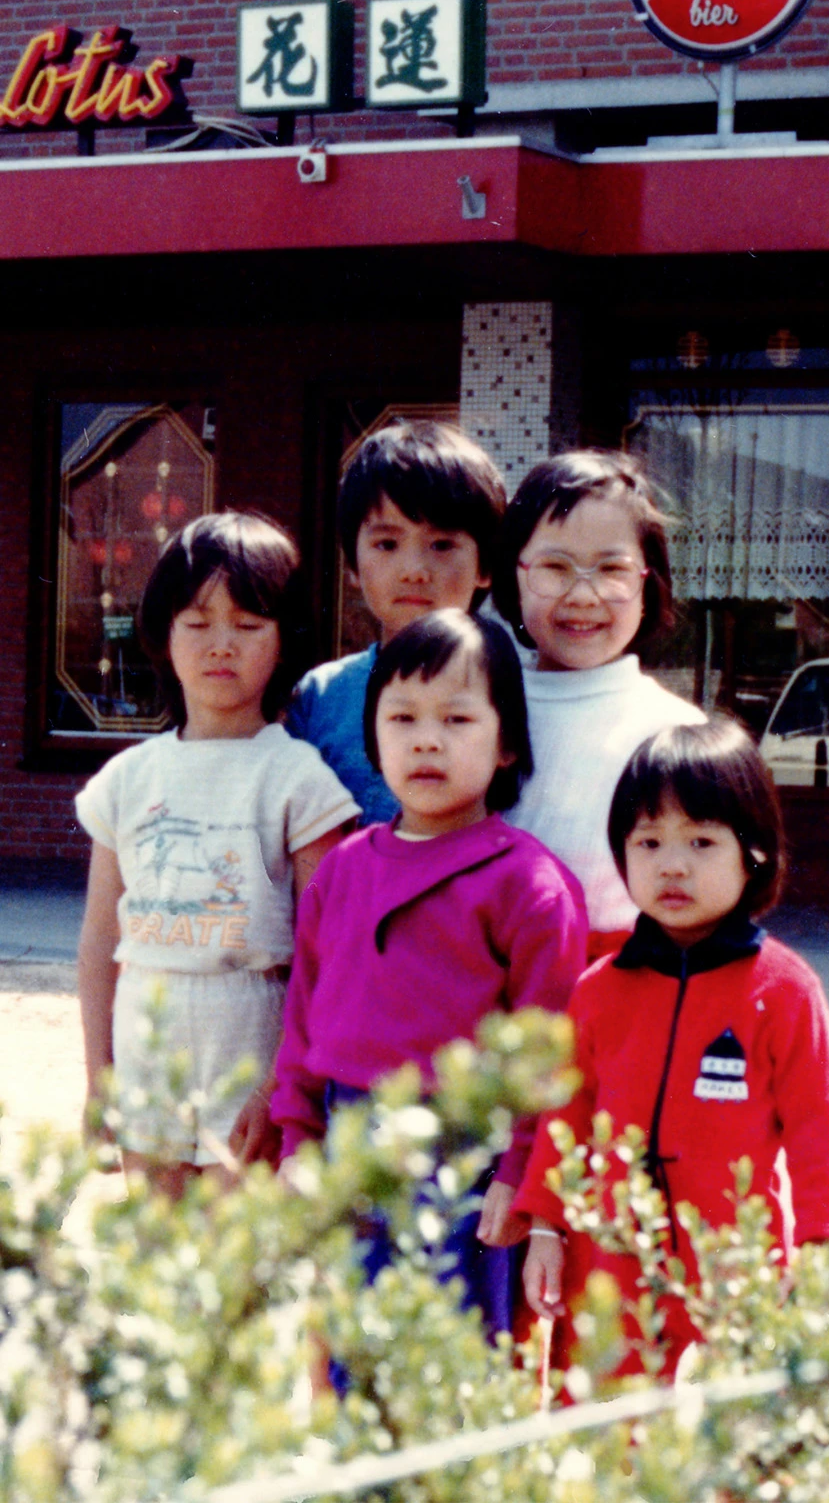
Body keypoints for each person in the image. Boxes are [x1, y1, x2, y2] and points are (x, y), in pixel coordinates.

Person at [271, 609, 588, 1333]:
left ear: (508, 742)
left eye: (457, 719)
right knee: (360, 1358)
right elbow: (304, 1017)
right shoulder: (343, 871)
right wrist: (298, 1138)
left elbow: (551, 1058)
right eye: (403, 716)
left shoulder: (529, 886)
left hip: (468, 1163)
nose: (426, 739)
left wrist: (522, 1177)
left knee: (458, 1372)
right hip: (350, 1144)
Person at [515, 717, 829, 1377]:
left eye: (701, 841)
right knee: (602, 1443)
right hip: (606, 1269)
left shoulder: (783, 990)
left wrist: (824, 1246)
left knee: (727, 1451)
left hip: (732, 1272)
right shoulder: (598, 991)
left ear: (753, 854)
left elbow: (818, 1130)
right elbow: (566, 1122)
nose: (672, 865)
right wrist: (546, 1229)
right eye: (649, 842)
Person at [76, 512, 360, 1200]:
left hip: (250, 1035)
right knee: (159, 1266)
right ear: (163, 635)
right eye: (197, 623)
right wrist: (97, 1077)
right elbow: (98, 939)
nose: (220, 645)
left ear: (283, 638)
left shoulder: (298, 778)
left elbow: (321, 949)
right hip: (149, 1034)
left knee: (237, 1270)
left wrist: (281, 1087)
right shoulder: (129, 778)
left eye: (247, 624)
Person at [492, 449, 702, 956]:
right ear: (513, 575)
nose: (583, 595)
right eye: (554, 567)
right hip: (481, 981)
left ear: (647, 583)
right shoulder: (479, 704)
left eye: (612, 569)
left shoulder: (674, 729)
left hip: (623, 986)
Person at [286, 419, 506, 823]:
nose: (414, 570)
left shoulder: (512, 691)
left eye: (442, 544)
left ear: (485, 566)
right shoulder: (320, 697)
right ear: (352, 564)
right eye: (387, 544)